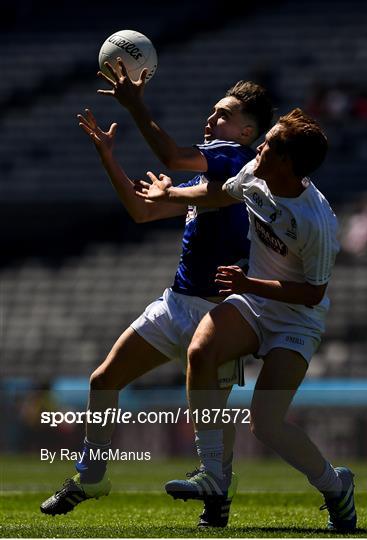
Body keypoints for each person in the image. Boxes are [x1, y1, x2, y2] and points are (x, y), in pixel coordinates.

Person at [40, 60, 273, 529]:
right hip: (177, 302)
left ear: (247, 131)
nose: (212, 119)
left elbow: (169, 156)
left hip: (220, 311)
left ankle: (217, 493)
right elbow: (143, 213)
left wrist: (136, 104)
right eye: (212, 111)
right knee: (103, 381)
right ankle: (90, 476)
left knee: (212, 410)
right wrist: (110, 158)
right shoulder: (211, 175)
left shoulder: (234, 158)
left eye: (223, 114)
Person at [136, 108, 357, 532]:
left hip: (296, 320)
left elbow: (313, 294)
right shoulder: (256, 172)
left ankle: (336, 486)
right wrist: (169, 196)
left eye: (270, 144)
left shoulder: (317, 221)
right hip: (254, 302)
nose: (259, 148)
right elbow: (218, 195)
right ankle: (214, 475)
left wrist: (248, 282)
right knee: (201, 351)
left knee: (266, 424)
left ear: (288, 163)